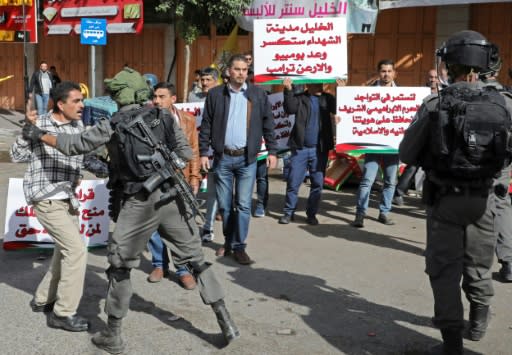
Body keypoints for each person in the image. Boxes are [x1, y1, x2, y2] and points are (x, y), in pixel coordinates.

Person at [22, 67, 239, 352]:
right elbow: (185, 153)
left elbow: (73, 145)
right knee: (197, 260)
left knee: (120, 267)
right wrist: (162, 171)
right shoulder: (164, 116)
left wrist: (39, 134)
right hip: (172, 197)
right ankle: (226, 321)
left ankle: (113, 334)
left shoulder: (112, 123)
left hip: (139, 202)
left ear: (120, 95)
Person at [399, 30, 512, 354]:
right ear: (481, 65)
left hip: (443, 200)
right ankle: (477, 326)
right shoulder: (503, 102)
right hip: (485, 200)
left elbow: (407, 153)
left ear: (449, 65)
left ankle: (451, 344)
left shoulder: (435, 103)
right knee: (478, 266)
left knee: (444, 271)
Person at [10, 81, 89, 332]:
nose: (82, 105)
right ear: (60, 104)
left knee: (63, 252)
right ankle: (63, 313)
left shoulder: (79, 126)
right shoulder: (41, 123)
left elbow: (79, 156)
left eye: (81, 100)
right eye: (76, 101)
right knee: (76, 251)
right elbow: (16, 156)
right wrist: (26, 131)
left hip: (67, 197)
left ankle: (43, 298)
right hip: (45, 196)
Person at [199, 54, 277, 265]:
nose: (242, 73)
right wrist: (204, 152)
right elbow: (206, 124)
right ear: (228, 71)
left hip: (247, 160)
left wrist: (272, 151)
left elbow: (268, 124)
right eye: (237, 69)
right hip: (223, 158)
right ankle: (228, 241)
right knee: (225, 206)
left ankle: (239, 246)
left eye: (245, 70)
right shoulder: (216, 95)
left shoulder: (257, 95)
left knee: (243, 205)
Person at [146, 82, 200, 289]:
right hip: (154, 179)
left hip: (180, 178)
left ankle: (184, 269)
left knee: (181, 225)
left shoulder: (187, 120)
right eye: (155, 97)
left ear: (173, 99)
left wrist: (194, 177)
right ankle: (159, 264)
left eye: (161, 97)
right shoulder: (146, 121)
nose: (156, 101)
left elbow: (193, 150)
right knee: (154, 224)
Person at [278, 79, 336, 225]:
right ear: (308, 85)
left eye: (321, 84)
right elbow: (289, 108)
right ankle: (288, 212)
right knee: (293, 182)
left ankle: (311, 214)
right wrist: (288, 89)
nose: (319, 87)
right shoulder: (300, 98)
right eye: (316, 84)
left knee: (317, 183)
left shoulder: (327, 98)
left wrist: (341, 90)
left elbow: (340, 108)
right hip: (300, 148)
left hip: (320, 150)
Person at [352, 59, 399, 228]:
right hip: (372, 145)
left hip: (393, 148)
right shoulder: (367, 93)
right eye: (383, 71)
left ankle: (384, 213)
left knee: (390, 182)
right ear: (378, 73)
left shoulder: (404, 94)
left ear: (394, 73)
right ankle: (360, 214)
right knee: (367, 181)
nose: (386, 74)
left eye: (389, 71)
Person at [480, 57, 512, 282]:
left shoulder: (461, 95)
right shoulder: (508, 100)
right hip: (501, 163)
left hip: (466, 164)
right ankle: (509, 262)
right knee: (500, 206)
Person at [393, 68, 440, 206]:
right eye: (430, 77)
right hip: (420, 134)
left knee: (434, 168)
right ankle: (398, 193)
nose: (433, 80)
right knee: (413, 165)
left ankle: (429, 198)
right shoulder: (418, 93)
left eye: (435, 77)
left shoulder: (445, 93)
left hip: (436, 136)